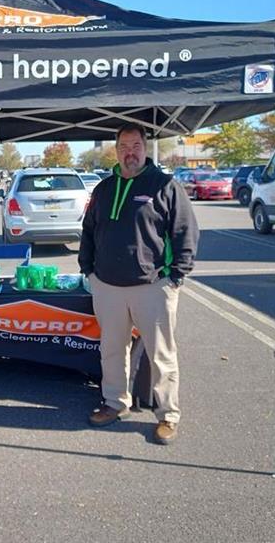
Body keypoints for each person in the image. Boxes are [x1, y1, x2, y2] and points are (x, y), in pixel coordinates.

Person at [78, 124, 199, 445]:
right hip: (107, 287)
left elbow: (185, 232)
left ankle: (168, 415)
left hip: (153, 286)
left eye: (135, 145)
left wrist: (176, 277)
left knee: (162, 355)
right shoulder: (103, 189)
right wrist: (88, 271)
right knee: (112, 350)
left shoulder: (165, 185)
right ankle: (116, 403)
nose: (129, 152)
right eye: (123, 146)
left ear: (145, 148)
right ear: (115, 150)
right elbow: (88, 233)